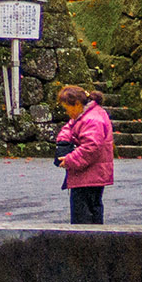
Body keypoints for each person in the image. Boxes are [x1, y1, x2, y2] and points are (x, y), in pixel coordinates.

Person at [52, 84, 115, 225]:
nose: (67, 112)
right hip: (92, 175)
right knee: (93, 210)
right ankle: (94, 242)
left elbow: (91, 147)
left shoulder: (92, 119)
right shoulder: (87, 114)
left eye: (67, 108)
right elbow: (70, 126)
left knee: (84, 216)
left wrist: (69, 159)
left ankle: (85, 245)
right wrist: (63, 140)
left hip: (89, 176)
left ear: (77, 104)